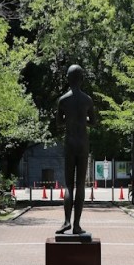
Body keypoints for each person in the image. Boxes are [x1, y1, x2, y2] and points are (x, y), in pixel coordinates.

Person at [56, 64, 97, 235]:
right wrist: (83, 121)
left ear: (68, 78)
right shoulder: (87, 100)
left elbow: (59, 122)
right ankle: (77, 225)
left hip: (70, 142)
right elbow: (93, 122)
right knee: (80, 185)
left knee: (68, 185)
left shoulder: (63, 100)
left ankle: (66, 221)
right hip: (83, 143)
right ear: (81, 79)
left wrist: (69, 120)